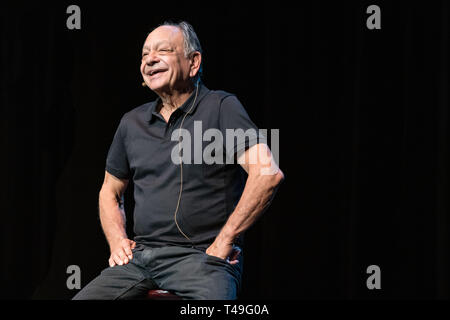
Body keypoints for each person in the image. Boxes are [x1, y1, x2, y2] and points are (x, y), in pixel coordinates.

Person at [73, 21, 284, 300]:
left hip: (202, 259)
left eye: (163, 51)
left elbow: (267, 174)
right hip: (139, 259)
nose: (150, 59)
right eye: (145, 54)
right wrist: (117, 241)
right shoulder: (131, 123)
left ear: (193, 62)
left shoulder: (222, 107)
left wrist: (224, 240)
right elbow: (109, 191)